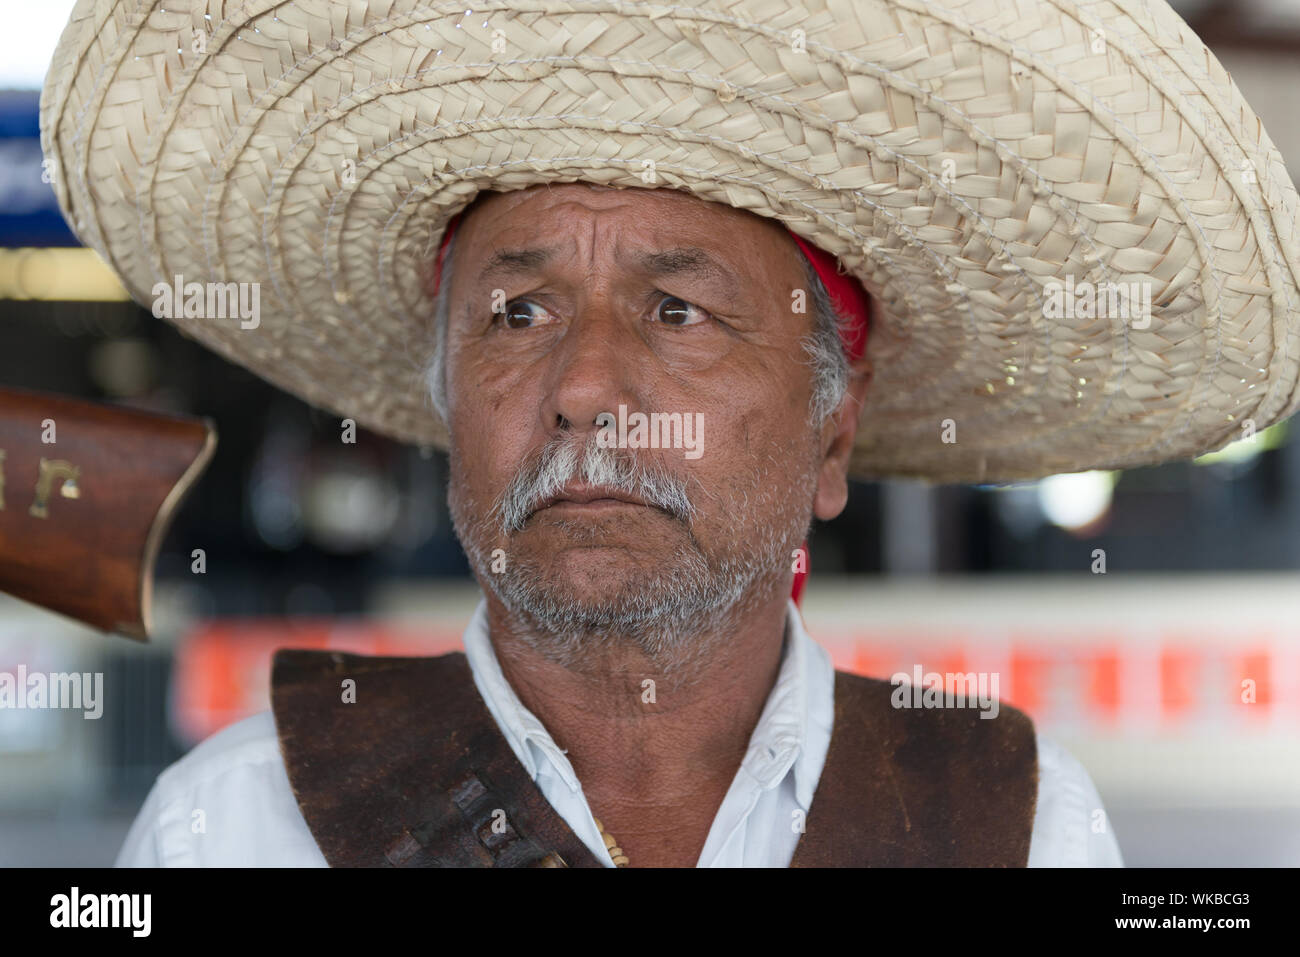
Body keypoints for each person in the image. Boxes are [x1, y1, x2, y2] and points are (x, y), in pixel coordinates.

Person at [40, 0, 1299, 866]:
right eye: (518, 310)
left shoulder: (1013, 825)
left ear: (827, 436)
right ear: (443, 404)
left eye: (679, 310)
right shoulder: (240, 825)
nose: (586, 386)